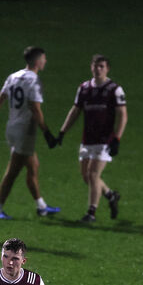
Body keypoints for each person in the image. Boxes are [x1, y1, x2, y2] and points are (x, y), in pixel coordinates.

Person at [0, 46, 61, 220]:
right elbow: (35, 108)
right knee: (13, 172)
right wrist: (46, 132)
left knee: (33, 166)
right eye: (43, 58)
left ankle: (42, 207)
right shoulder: (34, 81)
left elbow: (0, 100)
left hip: (12, 128)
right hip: (25, 131)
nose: (45, 61)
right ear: (37, 61)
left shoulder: (13, 76)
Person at [57, 54, 127, 222]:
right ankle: (110, 195)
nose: (98, 69)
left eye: (101, 66)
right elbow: (75, 111)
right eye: (95, 66)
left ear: (107, 69)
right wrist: (62, 131)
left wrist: (117, 138)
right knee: (86, 176)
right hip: (87, 139)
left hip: (105, 140)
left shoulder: (114, 89)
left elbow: (122, 115)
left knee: (93, 174)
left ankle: (91, 213)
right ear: (91, 67)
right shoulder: (84, 88)